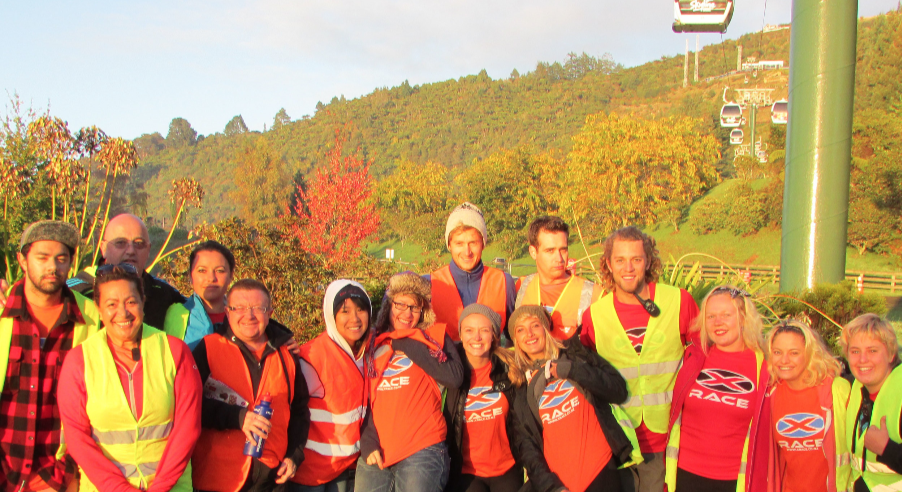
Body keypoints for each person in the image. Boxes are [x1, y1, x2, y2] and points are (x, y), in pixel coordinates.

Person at [58, 265, 202, 492]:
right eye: (111, 304)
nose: (122, 313)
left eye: (131, 302)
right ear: (99, 308)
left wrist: (160, 487)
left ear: (143, 301)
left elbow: (188, 429)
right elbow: (77, 438)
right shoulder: (79, 361)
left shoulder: (175, 352)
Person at [581, 226, 699, 492]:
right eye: (620, 260)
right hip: (617, 443)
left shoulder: (679, 301)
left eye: (636, 259)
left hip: (666, 442)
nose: (628, 268)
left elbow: (704, 360)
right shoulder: (594, 316)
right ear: (608, 264)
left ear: (648, 261)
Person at [0, 220, 99, 492]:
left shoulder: (92, 318)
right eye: (42, 258)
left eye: (61, 259)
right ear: (22, 260)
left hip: (56, 476)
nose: (52, 267)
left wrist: (69, 471)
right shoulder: (3, 310)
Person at [191, 279, 310, 492]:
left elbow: (299, 411)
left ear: (270, 312)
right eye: (239, 308)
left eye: (258, 308)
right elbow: (187, 408)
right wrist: (237, 417)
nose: (249, 315)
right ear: (227, 312)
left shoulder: (287, 354)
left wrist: (294, 456)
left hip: (271, 480)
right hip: (218, 480)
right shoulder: (208, 349)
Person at [508, 305, 638, 492]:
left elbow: (617, 390)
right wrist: (551, 487)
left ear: (546, 329)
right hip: (561, 482)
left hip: (601, 469)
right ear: (516, 340)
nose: (529, 333)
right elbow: (527, 448)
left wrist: (572, 370)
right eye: (520, 330)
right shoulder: (520, 388)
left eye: (535, 325)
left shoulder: (576, 354)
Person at [357, 272, 464, 492]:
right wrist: (368, 443)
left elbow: (454, 377)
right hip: (378, 450)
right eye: (400, 305)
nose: (407, 313)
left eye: (414, 307)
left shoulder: (434, 337)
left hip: (422, 448)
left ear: (423, 311)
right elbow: (364, 398)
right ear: (389, 305)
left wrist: (404, 340)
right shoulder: (373, 344)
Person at [665, 285, 770, 492]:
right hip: (685, 475)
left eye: (726, 315)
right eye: (711, 316)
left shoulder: (764, 367)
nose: (717, 322)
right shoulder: (694, 357)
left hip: (733, 479)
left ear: (743, 318)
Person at [290, 280, 372, 492]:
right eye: (345, 311)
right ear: (331, 315)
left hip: (346, 467)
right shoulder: (311, 357)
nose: (354, 319)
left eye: (361, 309)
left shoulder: (369, 353)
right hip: (309, 473)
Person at [765, 320, 851, 492]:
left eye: (794, 353)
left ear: (810, 353)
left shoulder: (835, 390)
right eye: (777, 352)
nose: (784, 360)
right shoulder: (770, 394)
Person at [444, 304, 523, 492]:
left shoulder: (510, 370)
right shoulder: (449, 375)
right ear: (461, 335)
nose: (476, 337)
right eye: (469, 330)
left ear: (495, 335)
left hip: (507, 469)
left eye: (484, 330)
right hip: (467, 473)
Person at [65, 213, 184, 330]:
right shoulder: (75, 292)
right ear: (103, 248)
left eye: (139, 243)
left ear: (148, 250)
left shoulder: (163, 294)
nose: (131, 250)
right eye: (120, 243)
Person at [427, 202, 516, 341]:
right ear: (449, 245)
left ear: (483, 244)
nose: (467, 252)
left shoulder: (504, 282)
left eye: (473, 243)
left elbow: (515, 338)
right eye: (459, 243)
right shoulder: (430, 284)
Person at [841, 314, 902, 492]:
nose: (862, 360)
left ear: (891, 354)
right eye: (855, 351)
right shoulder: (854, 387)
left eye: (873, 351)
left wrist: (886, 449)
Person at [516, 216, 602, 341]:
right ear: (533, 252)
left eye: (563, 250)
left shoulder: (594, 294)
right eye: (550, 251)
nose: (559, 258)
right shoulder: (522, 286)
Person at [163, 240, 235, 349]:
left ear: (231, 276)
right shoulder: (176, 315)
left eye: (219, 271)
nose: (211, 278)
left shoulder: (242, 317)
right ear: (190, 276)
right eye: (202, 271)